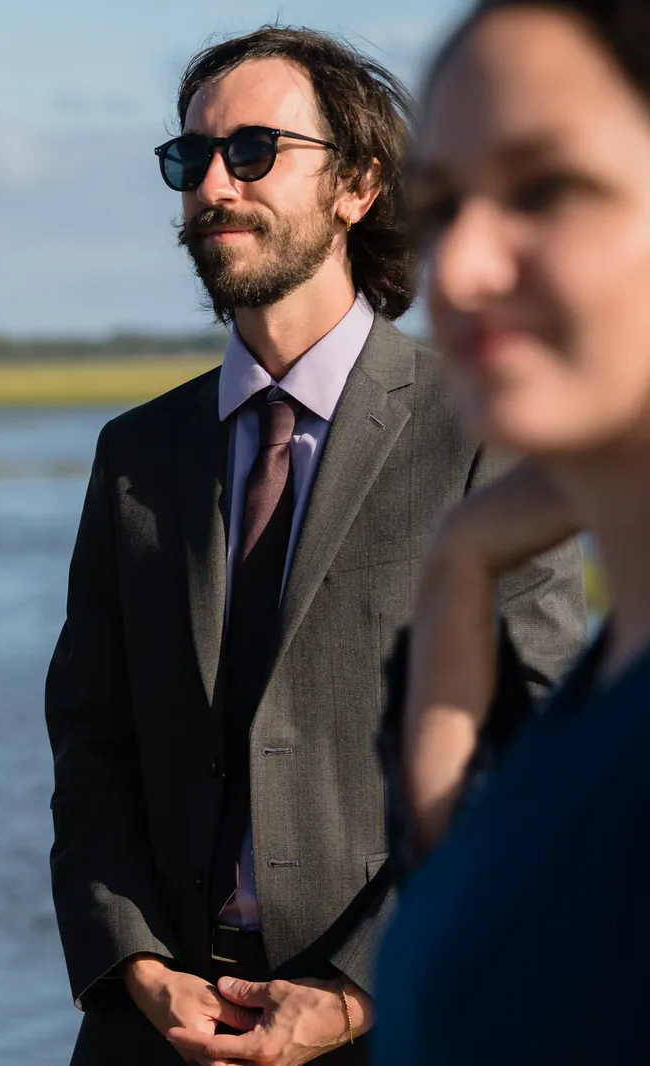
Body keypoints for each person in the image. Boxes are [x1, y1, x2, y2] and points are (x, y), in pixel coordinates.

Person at [44, 25, 587, 1066]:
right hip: (153, 1031)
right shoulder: (136, 453)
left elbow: (531, 745)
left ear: (358, 185)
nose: (214, 185)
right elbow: (90, 740)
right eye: (191, 157)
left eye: (253, 151)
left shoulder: (482, 429)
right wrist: (134, 960)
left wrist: (353, 990)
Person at [374, 1, 650, 1062]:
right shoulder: (605, 682)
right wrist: (458, 562)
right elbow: (462, 901)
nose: (458, 268)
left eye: (545, 189)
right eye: (441, 206)